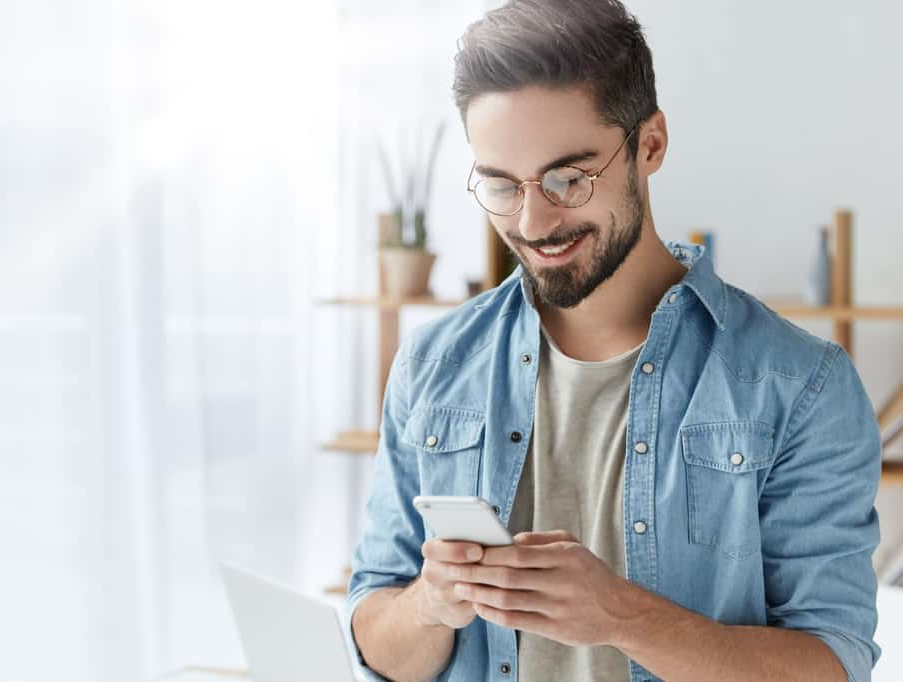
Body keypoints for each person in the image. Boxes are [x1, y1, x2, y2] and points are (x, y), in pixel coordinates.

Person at [343, 1, 882, 680]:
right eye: (503, 185)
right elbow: (373, 634)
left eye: (570, 177)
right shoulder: (433, 365)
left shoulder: (800, 385)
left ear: (650, 144)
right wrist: (428, 605)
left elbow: (833, 664)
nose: (534, 221)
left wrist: (622, 617)